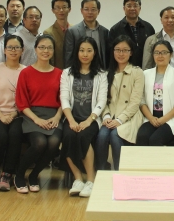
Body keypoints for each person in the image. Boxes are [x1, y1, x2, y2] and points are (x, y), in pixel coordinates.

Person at [15, 34, 63, 194]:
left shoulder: (60, 73)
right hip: (32, 115)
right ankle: (19, 175)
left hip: (54, 115)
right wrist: (36, 119)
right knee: (40, 142)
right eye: (42, 47)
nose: (45, 51)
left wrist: (57, 117)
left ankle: (34, 175)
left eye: (49, 47)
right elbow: (22, 103)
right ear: (35, 49)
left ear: (53, 51)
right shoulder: (26, 73)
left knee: (54, 142)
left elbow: (64, 100)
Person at [60, 37, 108, 198]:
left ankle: (91, 180)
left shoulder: (101, 74)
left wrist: (89, 120)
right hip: (71, 117)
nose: (85, 54)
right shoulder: (67, 73)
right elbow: (64, 98)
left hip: (92, 119)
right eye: (82, 50)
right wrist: (71, 121)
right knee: (68, 136)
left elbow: (101, 100)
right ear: (77, 52)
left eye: (89, 50)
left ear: (94, 53)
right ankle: (78, 179)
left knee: (83, 136)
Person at [96, 35, 144, 170]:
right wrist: (106, 116)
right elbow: (103, 99)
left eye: (125, 50)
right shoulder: (106, 73)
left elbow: (135, 102)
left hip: (130, 117)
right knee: (102, 136)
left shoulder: (137, 72)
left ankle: (119, 172)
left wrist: (120, 120)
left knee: (116, 135)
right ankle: (101, 172)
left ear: (131, 52)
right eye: (117, 50)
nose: (121, 53)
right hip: (109, 116)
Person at [0, 34, 26, 192]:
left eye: (17, 47)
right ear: (4, 50)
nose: (13, 50)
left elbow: (26, 100)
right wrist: (1, 116)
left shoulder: (25, 71)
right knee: (1, 136)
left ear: (22, 50)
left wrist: (13, 114)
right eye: (10, 47)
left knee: (15, 135)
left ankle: (8, 174)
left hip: (18, 114)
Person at [137, 40, 174, 146]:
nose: (160, 56)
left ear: (171, 54)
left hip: (170, 118)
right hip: (151, 117)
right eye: (157, 52)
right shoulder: (146, 74)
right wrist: (151, 118)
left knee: (155, 140)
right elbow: (141, 100)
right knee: (142, 136)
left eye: (164, 52)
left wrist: (163, 119)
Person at [109, 0, 155, 68]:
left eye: (135, 6)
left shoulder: (148, 27)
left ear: (140, 8)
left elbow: (153, 51)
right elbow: (111, 54)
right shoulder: (115, 29)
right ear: (124, 8)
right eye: (129, 6)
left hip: (146, 70)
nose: (132, 8)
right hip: (123, 70)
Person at [64, 0, 109, 69]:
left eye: (93, 9)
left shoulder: (105, 32)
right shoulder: (72, 31)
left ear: (98, 11)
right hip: (79, 72)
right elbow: (68, 58)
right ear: (81, 11)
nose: (90, 12)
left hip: (100, 72)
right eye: (86, 9)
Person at [143, 6, 174, 71]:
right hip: (158, 76)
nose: (170, 20)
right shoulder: (151, 40)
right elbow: (146, 66)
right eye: (166, 17)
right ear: (161, 20)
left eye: (173, 17)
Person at [43, 0, 72, 69]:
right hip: (57, 71)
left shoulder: (75, 30)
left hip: (74, 71)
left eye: (64, 7)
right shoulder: (48, 32)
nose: (61, 10)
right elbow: (49, 57)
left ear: (69, 9)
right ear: (53, 10)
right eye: (58, 8)